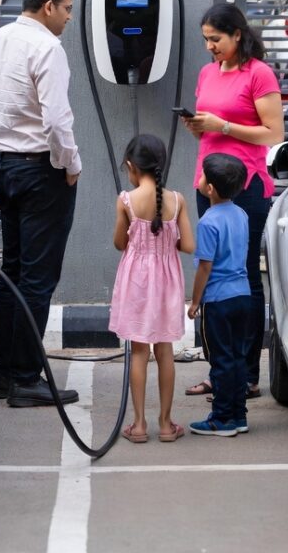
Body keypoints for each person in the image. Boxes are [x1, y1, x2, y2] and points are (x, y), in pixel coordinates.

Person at [0, 0, 82, 408]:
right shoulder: (48, 48)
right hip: (41, 171)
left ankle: (4, 374)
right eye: (67, 9)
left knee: (12, 269)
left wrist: (5, 129)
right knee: (37, 278)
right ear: (48, 6)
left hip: (4, 166)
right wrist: (69, 164)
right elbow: (55, 120)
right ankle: (27, 378)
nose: (69, 18)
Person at [182, 2, 283, 400]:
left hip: (246, 186)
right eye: (205, 40)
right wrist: (199, 127)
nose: (210, 47)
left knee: (242, 276)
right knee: (212, 272)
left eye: (216, 39)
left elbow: (273, 133)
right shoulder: (208, 73)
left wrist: (222, 125)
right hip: (208, 182)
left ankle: (247, 375)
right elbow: (209, 132)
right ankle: (221, 370)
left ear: (237, 35)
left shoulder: (258, 74)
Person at [108, 134, 195, 443]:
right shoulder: (178, 200)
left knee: (139, 351)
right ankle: (167, 424)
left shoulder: (127, 200)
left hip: (136, 280)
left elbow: (120, 243)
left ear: (132, 167)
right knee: (165, 350)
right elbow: (188, 245)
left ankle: (140, 424)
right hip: (167, 280)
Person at [187, 153, 250, 436]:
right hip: (244, 296)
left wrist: (195, 300)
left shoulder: (208, 222)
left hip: (218, 300)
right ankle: (239, 415)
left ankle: (222, 418)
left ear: (209, 188)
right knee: (237, 357)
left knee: (220, 360)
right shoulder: (243, 215)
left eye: (202, 176)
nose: (199, 180)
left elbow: (205, 266)